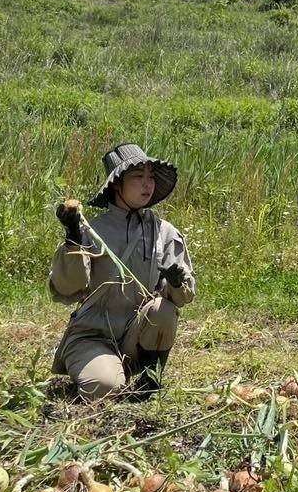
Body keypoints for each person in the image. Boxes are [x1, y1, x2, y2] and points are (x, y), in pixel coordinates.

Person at [49, 144, 196, 402]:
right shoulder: (91, 231)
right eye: (138, 177)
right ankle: (104, 371)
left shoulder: (164, 233)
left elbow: (184, 297)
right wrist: (72, 236)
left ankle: (149, 380)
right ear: (117, 184)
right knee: (104, 389)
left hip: (136, 336)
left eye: (151, 177)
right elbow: (67, 288)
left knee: (163, 309)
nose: (147, 184)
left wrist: (176, 283)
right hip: (93, 336)